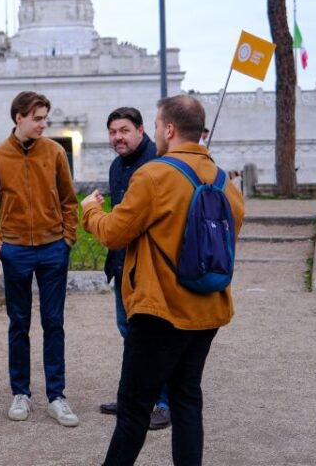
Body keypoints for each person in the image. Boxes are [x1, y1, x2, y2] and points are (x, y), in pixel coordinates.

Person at [81, 95, 245, 465]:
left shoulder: (154, 175)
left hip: (160, 310)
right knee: (187, 398)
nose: (156, 132)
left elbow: (114, 233)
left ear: (169, 129)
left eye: (156, 125)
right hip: (207, 308)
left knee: (133, 408)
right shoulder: (224, 181)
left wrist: (90, 211)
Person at [0, 91, 79, 427]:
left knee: (54, 322)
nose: (43, 124)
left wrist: (67, 239)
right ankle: (20, 392)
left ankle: (56, 396)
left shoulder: (55, 153)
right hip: (16, 251)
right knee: (19, 323)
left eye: (45, 118)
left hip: (53, 249)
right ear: (19, 117)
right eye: (37, 118)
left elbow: (69, 200)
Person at [99, 107, 171, 430]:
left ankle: (164, 403)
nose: (118, 137)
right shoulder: (116, 166)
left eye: (124, 130)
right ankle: (132, 397)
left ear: (141, 130)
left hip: (151, 267)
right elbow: (120, 218)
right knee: (129, 334)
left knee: (155, 337)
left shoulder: (159, 162)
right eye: (113, 132)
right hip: (122, 264)